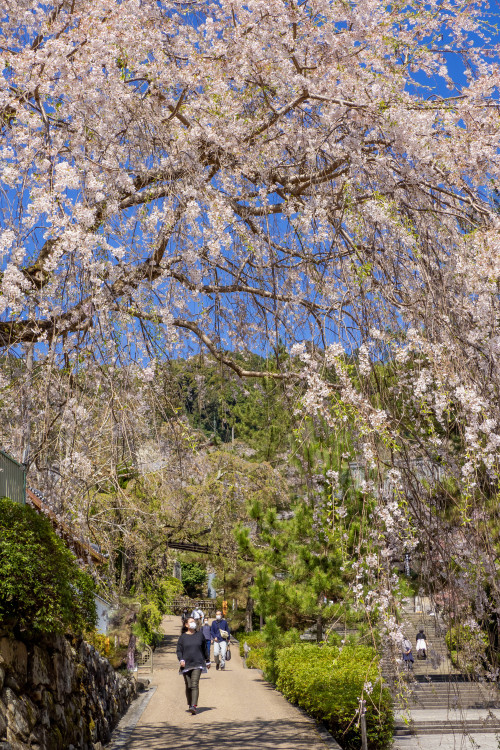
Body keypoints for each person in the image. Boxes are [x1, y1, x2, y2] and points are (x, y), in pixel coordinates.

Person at [176, 617, 211, 715]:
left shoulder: (200, 635)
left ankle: (194, 706)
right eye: (191, 622)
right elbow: (179, 650)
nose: (193, 623)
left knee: (194, 684)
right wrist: (181, 659)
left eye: (194, 622)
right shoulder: (182, 637)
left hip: (198, 663)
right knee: (188, 685)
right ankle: (190, 703)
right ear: (186, 625)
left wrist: (207, 661)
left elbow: (204, 649)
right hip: (186, 664)